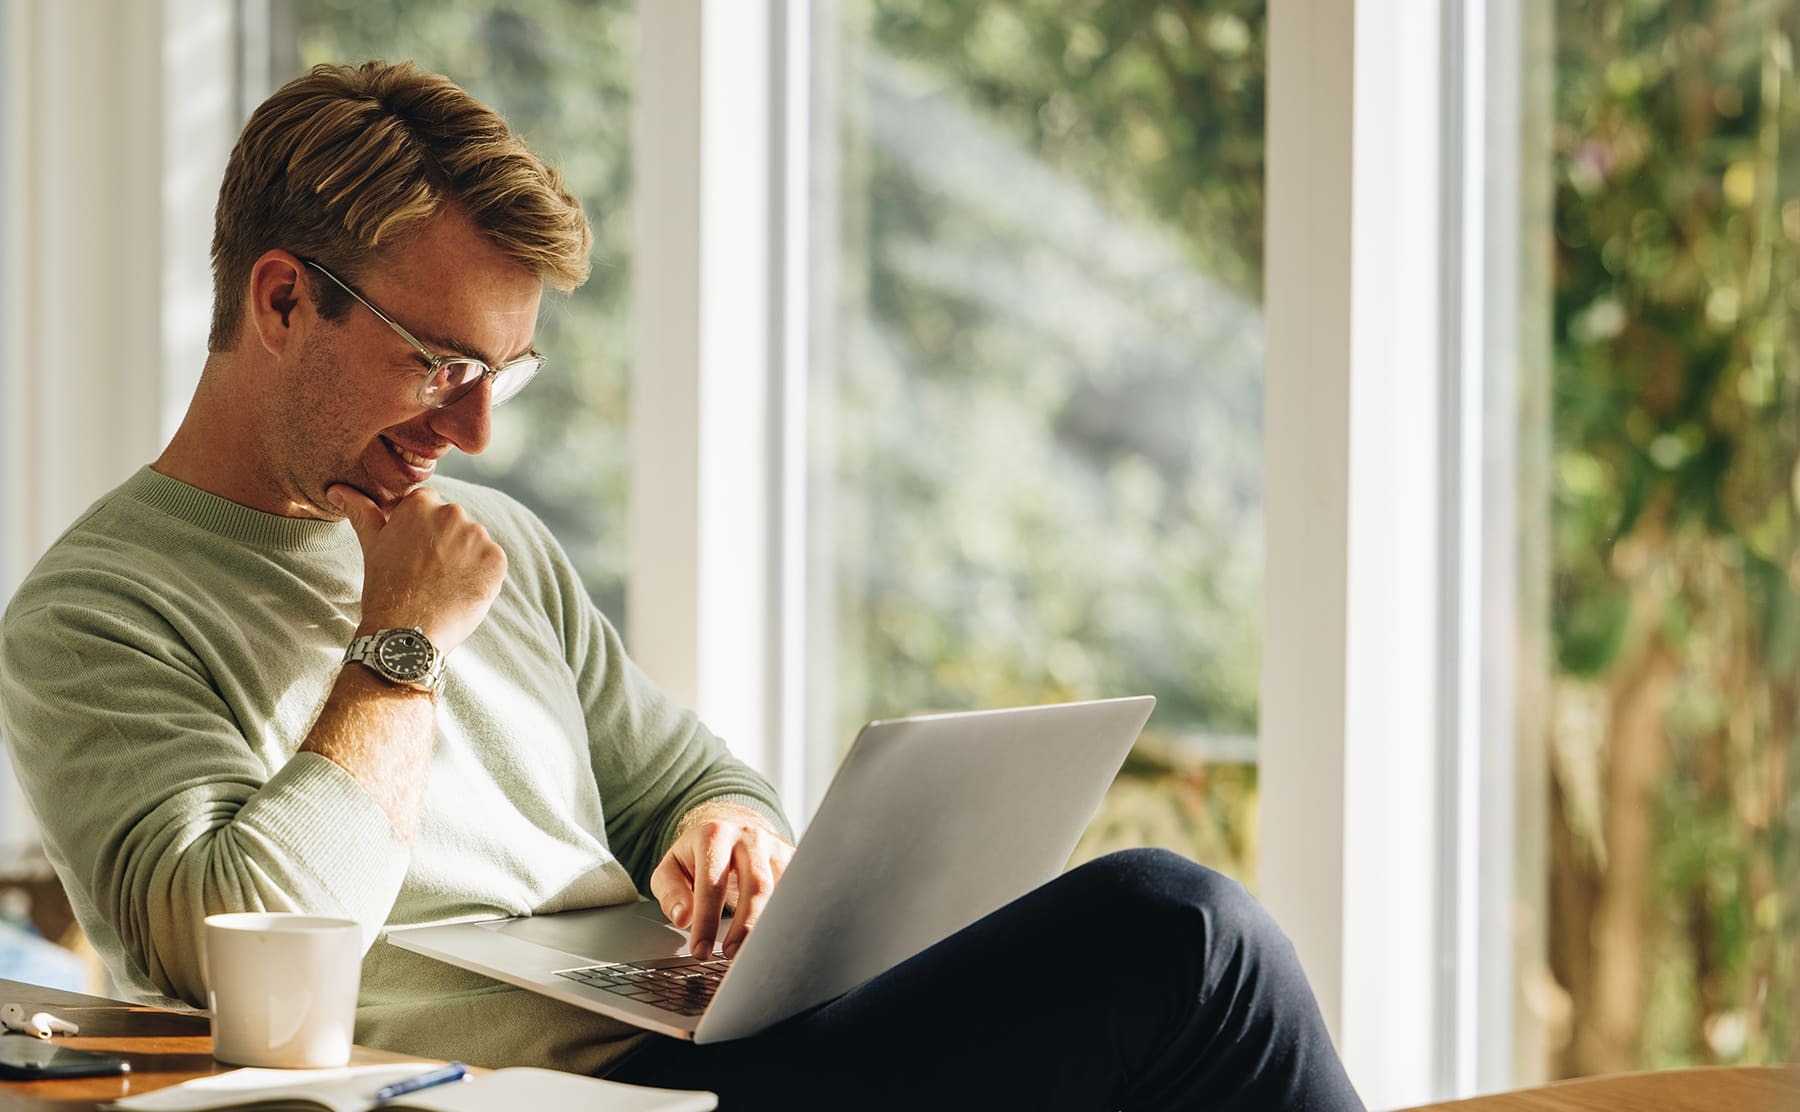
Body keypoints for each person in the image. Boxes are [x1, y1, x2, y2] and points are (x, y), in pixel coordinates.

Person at [0, 62, 1363, 1110]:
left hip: (711, 1048)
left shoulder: (501, 549)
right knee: (1182, 939)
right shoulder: (96, 617)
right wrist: (402, 642)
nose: (474, 434)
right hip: (535, 1101)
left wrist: (731, 835)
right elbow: (229, 942)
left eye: (503, 378)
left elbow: (689, 782)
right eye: (439, 365)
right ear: (285, 302)